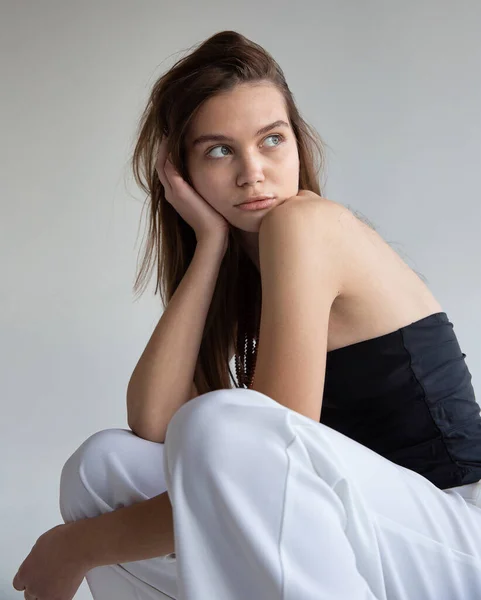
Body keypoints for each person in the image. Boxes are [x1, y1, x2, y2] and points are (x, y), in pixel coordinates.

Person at [13, 30, 481, 600]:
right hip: (365, 531)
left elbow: (258, 455)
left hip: (455, 528)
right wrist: (209, 242)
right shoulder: (248, 268)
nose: (252, 171)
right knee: (100, 467)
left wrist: (82, 545)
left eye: (271, 141)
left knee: (224, 424)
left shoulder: (307, 225)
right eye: (218, 150)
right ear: (179, 173)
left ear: (298, 145)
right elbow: (154, 424)